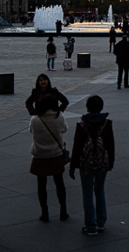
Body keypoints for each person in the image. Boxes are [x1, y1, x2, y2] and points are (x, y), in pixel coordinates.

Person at [69, 95, 115, 235]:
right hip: (102, 163)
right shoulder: (107, 124)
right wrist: (110, 162)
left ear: (87, 108)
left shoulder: (82, 124)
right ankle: (101, 222)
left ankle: (90, 226)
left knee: (87, 194)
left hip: (86, 164)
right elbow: (110, 145)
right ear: (101, 107)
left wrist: (72, 166)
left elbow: (77, 147)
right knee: (100, 190)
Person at [29, 94, 69, 222]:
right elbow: (65, 129)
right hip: (56, 154)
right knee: (59, 183)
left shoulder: (35, 120)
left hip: (40, 155)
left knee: (41, 185)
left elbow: (31, 131)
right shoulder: (60, 117)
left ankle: (44, 212)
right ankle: (63, 210)